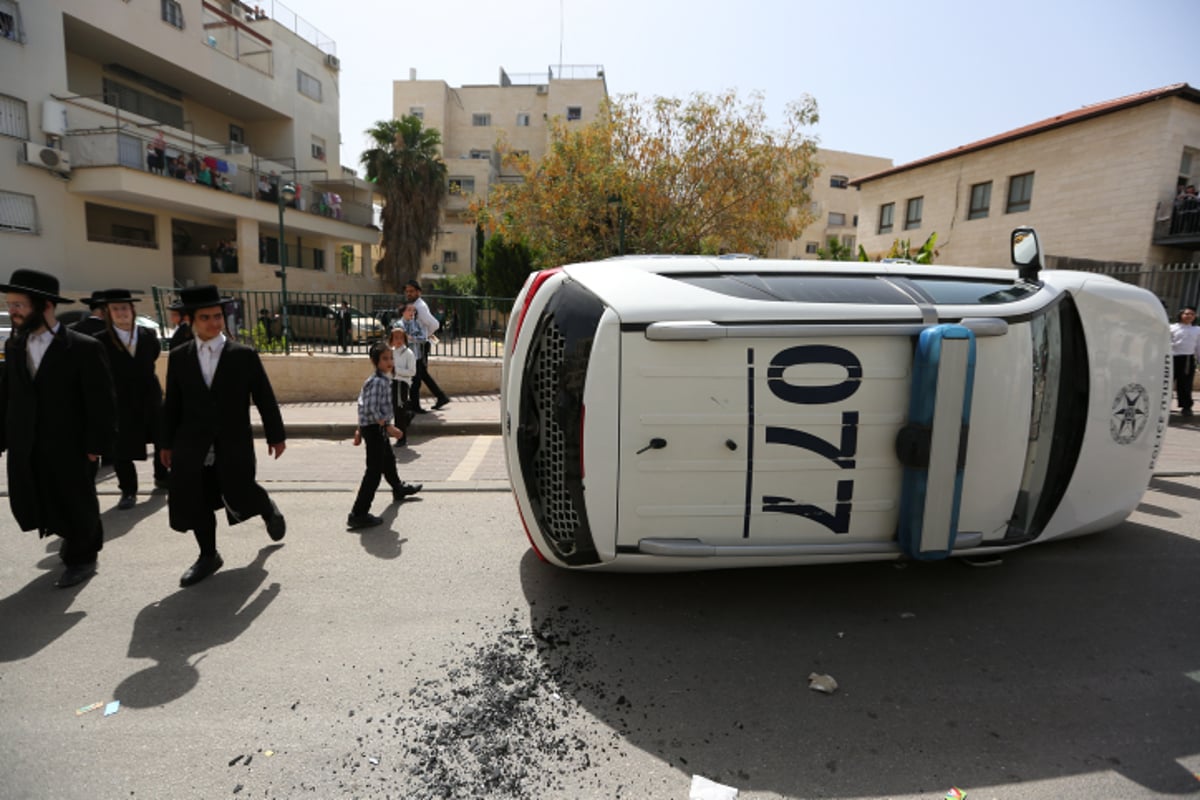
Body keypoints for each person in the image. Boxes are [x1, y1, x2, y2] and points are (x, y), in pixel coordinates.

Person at [160, 284, 288, 587]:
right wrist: (165, 442)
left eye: (218, 316)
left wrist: (276, 435)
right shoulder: (179, 357)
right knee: (197, 499)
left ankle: (266, 507)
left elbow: (265, 397)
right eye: (206, 317)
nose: (214, 323)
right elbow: (172, 403)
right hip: (192, 442)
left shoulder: (242, 355)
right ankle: (208, 555)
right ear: (190, 320)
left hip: (233, 440)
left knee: (240, 489)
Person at [0, 269, 116, 588]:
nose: (13, 311)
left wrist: (97, 444)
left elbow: (102, 401)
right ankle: (73, 537)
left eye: (20, 304)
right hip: (28, 442)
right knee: (40, 497)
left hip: (71, 443)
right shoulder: (14, 345)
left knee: (75, 500)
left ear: (46, 305)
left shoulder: (83, 347)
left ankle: (83, 556)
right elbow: (7, 393)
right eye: (11, 304)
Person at [91, 289, 168, 507]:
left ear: (132, 310)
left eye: (125, 308)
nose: (121, 312)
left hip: (150, 397)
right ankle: (128, 490)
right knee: (121, 449)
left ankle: (162, 477)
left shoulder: (148, 336)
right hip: (120, 401)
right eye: (116, 309)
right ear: (108, 313)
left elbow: (151, 357)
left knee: (161, 439)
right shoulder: (100, 341)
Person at [347, 341, 422, 529]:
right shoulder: (377, 382)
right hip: (374, 428)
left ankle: (398, 488)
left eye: (391, 358)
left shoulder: (380, 379)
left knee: (387, 459)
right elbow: (370, 409)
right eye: (384, 359)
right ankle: (358, 513)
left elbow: (363, 406)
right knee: (373, 471)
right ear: (375, 361)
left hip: (372, 427)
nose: (389, 362)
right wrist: (388, 427)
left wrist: (359, 429)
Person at [403, 281, 450, 412]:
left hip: (420, 346)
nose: (408, 294)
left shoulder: (420, 307)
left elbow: (434, 324)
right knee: (420, 374)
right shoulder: (415, 305)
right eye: (407, 291)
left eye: (411, 291)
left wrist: (424, 337)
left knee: (416, 375)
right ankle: (440, 397)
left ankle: (415, 406)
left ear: (419, 292)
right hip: (416, 346)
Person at [387, 325, 417, 447]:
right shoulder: (391, 352)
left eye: (400, 337)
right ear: (391, 340)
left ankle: (402, 438)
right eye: (395, 338)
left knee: (399, 411)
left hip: (402, 384)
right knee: (395, 410)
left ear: (404, 339)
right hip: (392, 383)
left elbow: (412, 372)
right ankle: (408, 414)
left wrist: (397, 370)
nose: (398, 340)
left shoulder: (408, 353)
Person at [1170, 305, 1200, 417]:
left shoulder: (1197, 330)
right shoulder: (1172, 328)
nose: (1189, 316)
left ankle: (1186, 407)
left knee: (1185, 384)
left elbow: (1198, 346)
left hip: (1187, 359)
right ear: (1181, 315)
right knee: (1168, 383)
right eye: (1187, 314)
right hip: (1172, 358)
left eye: (1192, 314)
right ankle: (1163, 405)